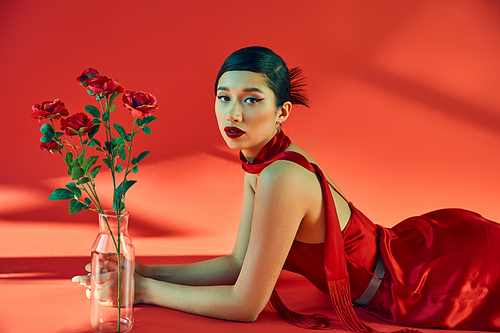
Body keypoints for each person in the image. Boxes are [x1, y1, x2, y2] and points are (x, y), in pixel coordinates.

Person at [73, 46, 500, 332]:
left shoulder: (282, 176)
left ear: (283, 111)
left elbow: (246, 305)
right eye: (224, 97)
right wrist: (138, 270)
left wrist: (142, 292)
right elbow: (238, 263)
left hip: (427, 278)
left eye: (252, 99)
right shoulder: (261, 162)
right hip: (412, 248)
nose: (232, 112)